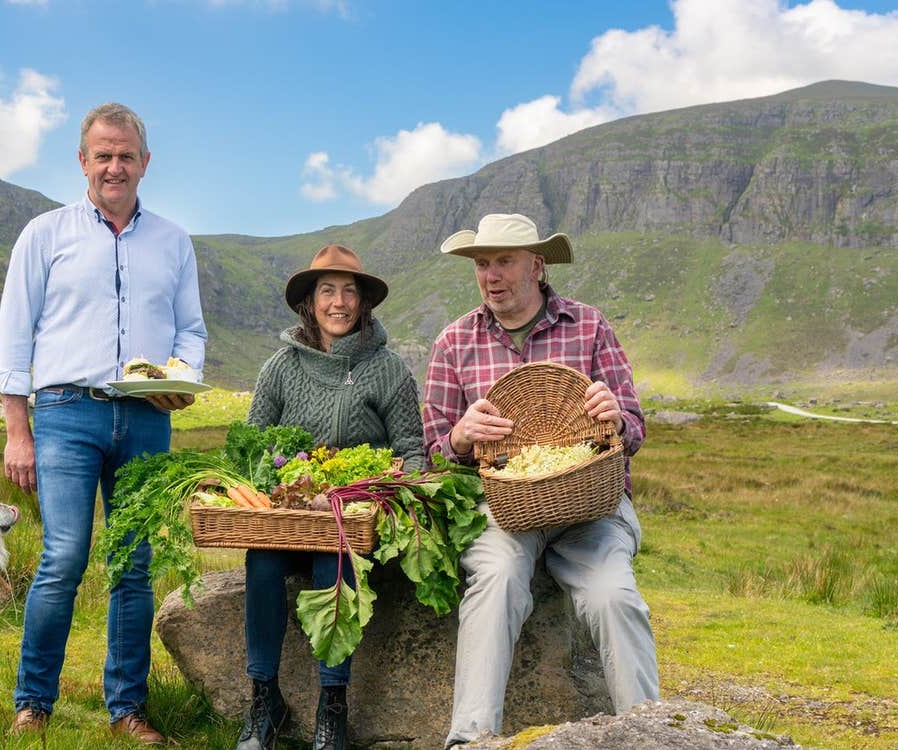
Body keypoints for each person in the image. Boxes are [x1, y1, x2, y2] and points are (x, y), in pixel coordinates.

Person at [0, 102, 207, 744]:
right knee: (62, 558)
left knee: (135, 564)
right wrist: (16, 431)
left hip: (146, 417)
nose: (115, 165)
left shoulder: (173, 241)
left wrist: (181, 378)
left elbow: (191, 330)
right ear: (83, 162)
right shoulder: (45, 234)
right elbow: (13, 337)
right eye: (103, 154)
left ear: (145, 162)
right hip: (64, 413)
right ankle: (34, 702)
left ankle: (127, 709)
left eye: (126, 155)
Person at [421, 213, 658, 747]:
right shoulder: (454, 341)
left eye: (504, 261)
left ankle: (651, 734)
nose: (491, 275)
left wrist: (616, 417)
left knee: (612, 595)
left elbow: (636, 429)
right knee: (498, 579)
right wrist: (459, 438)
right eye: (483, 264)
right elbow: (431, 454)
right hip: (504, 511)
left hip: (592, 511)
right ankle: (471, 740)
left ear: (537, 265)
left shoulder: (590, 326)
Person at [238, 244, 424, 750]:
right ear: (309, 302)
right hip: (289, 519)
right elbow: (251, 443)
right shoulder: (280, 368)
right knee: (261, 562)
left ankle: (331, 708)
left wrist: (383, 495)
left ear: (364, 302)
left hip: (352, 523)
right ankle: (264, 701)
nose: (338, 303)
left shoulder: (387, 369)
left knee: (333, 562)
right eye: (327, 291)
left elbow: (412, 450)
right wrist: (278, 486)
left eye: (349, 291)